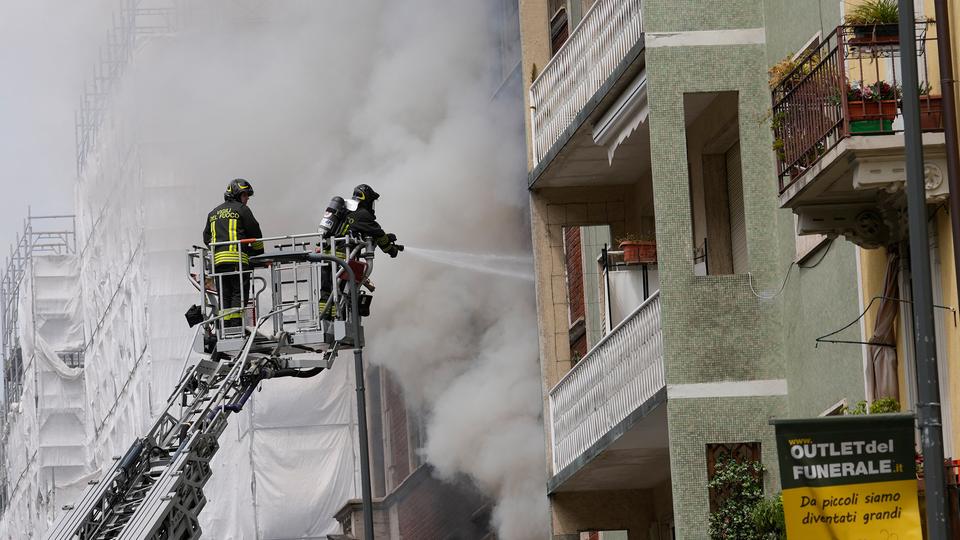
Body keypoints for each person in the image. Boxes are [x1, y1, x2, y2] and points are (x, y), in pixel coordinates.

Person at [318, 184, 401, 318]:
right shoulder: (363, 214)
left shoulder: (345, 210)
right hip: (342, 258)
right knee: (341, 293)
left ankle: (325, 318)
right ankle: (337, 318)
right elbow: (377, 233)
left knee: (327, 291)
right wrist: (391, 250)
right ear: (366, 199)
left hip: (326, 257)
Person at [203, 178, 264, 328]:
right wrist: (258, 253)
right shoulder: (242, 210)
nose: (247, 198)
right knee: (238, 295)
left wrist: (219, 250)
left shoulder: (213, 213)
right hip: (237, 262)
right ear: (237, 195)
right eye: (245, 195)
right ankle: (236, 328)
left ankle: (226, 328)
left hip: (218, 264)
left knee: (224, 296)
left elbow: (206, 238)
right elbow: (255, 232)